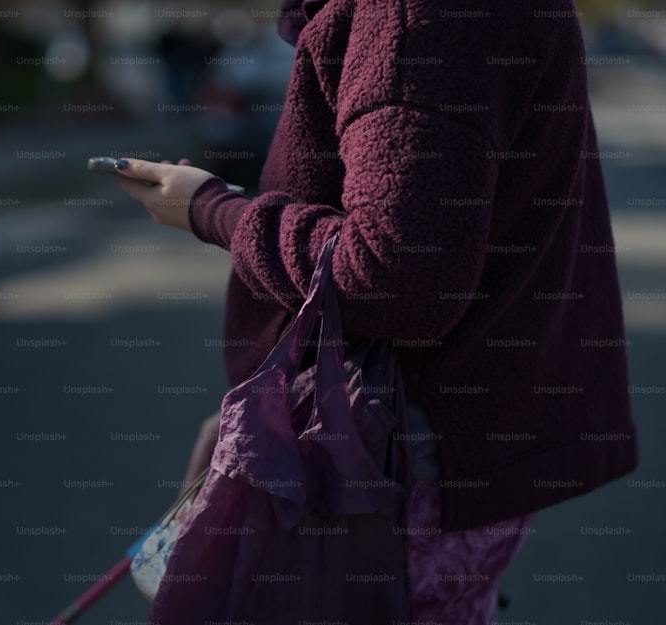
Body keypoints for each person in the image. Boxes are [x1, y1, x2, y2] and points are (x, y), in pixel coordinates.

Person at [115, 0, 639, 622]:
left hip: (390, 457)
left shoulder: (414, 20)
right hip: (432, 444)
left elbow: (394, 274)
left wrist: (211, 210)